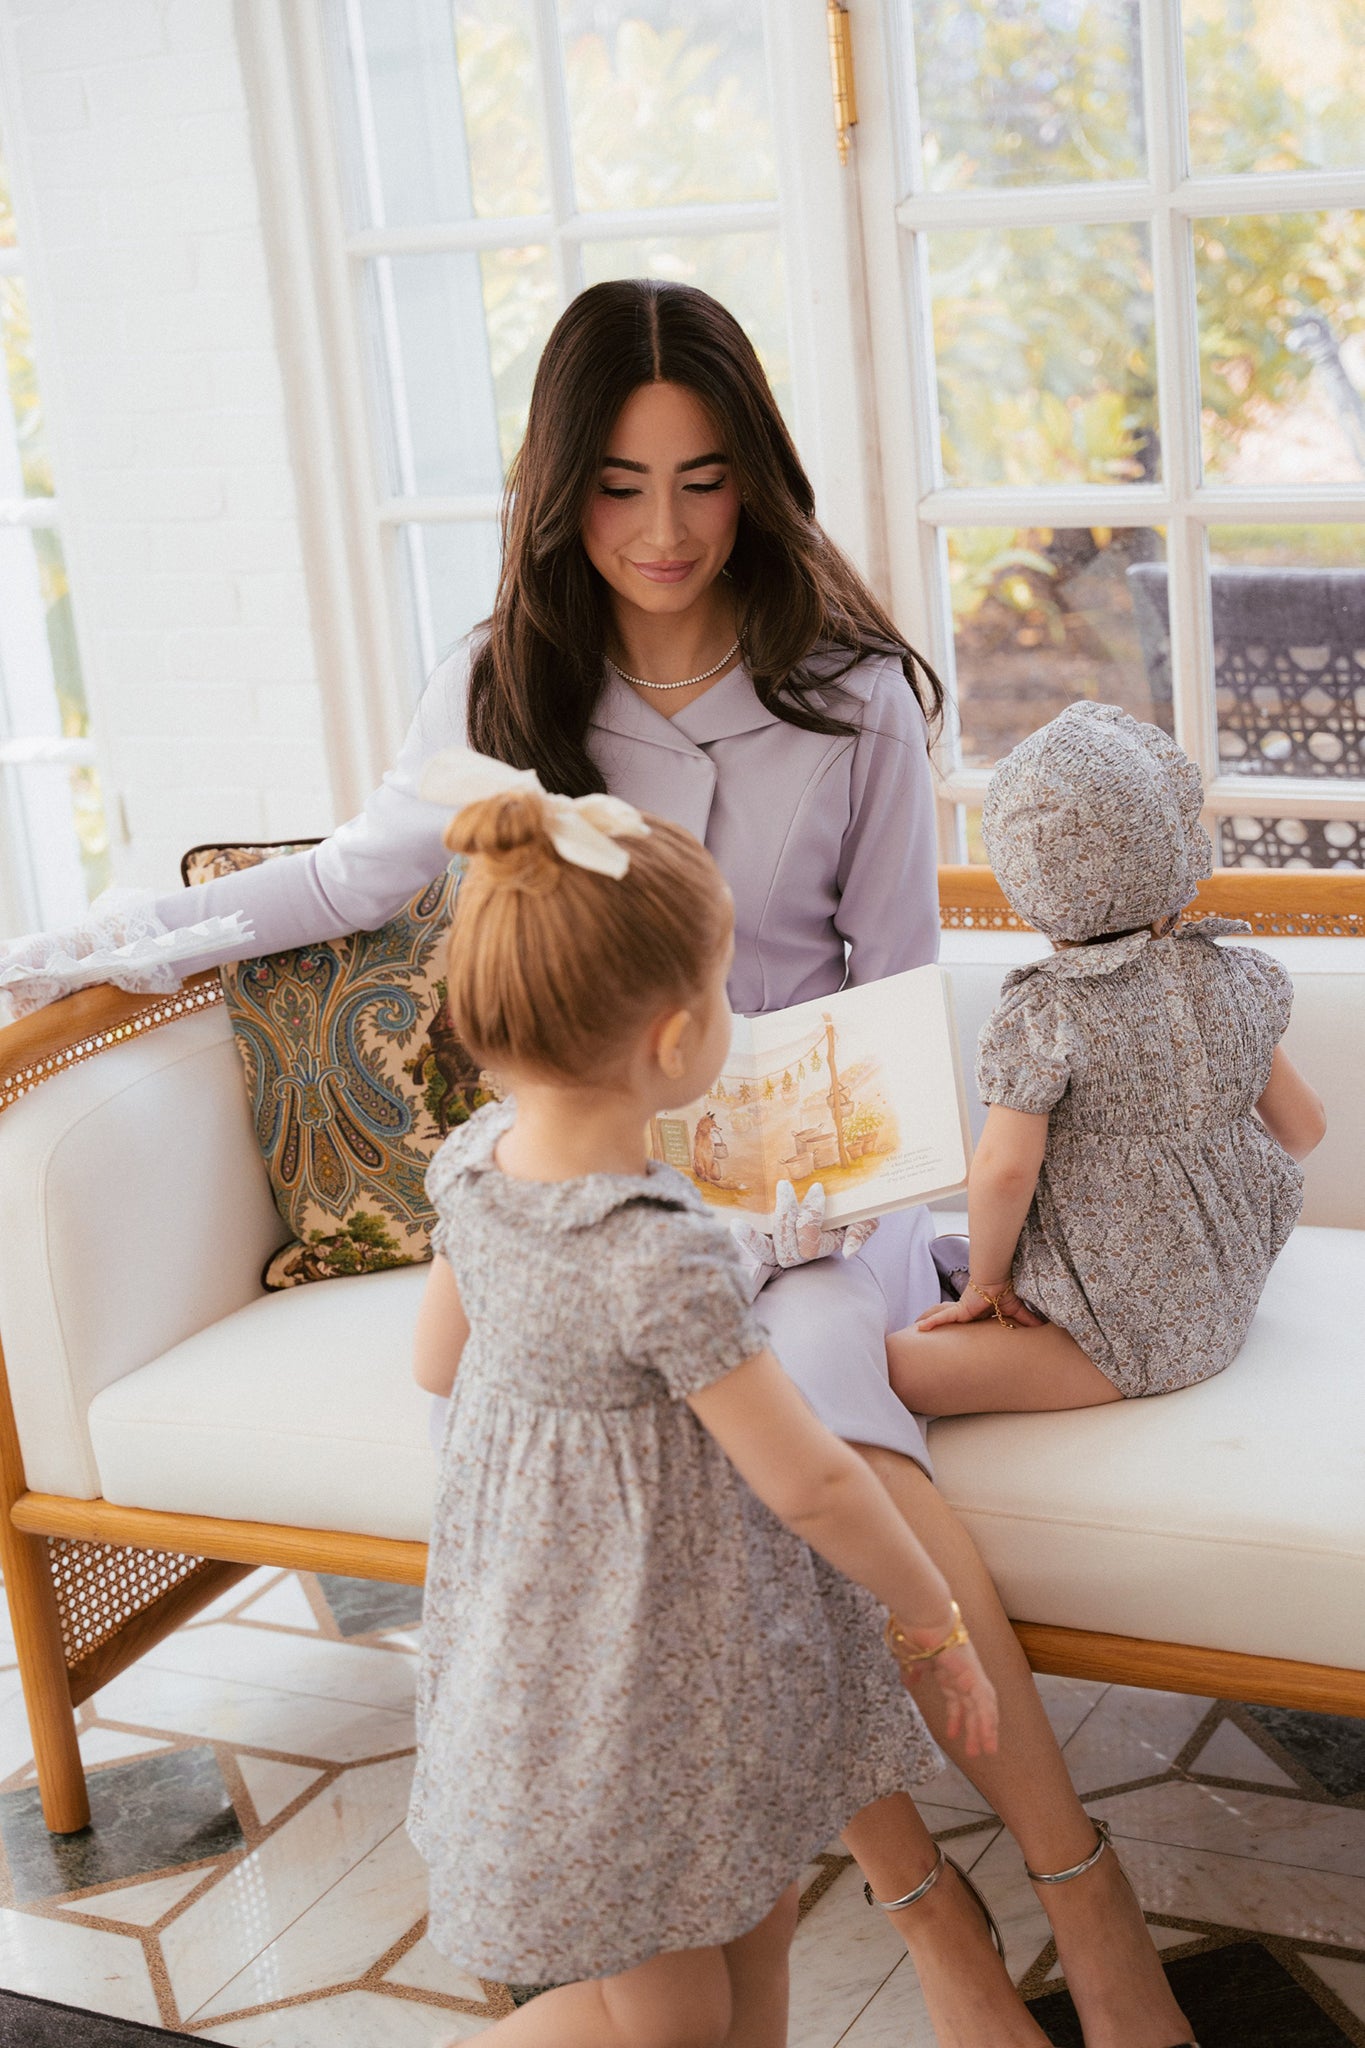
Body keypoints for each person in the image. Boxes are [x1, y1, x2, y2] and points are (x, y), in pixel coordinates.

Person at [0, 280, 1197, 2047]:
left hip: (821, 1199)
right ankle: (939, 1930)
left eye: (703, 481)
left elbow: (891, 993)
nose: (661, 532)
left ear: (756, 479)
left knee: (819, 1422)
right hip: (618, 1206)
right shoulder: (507, 677)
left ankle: (1086, 1915)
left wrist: (825, 1208)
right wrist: (80, 945)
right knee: (727, 1483)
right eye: (620, 487)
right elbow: (348, 879)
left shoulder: (855, 696)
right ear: (562, 490)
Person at [408, 755, 1002, 2047]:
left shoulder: (470, 1170)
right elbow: (813, 1480)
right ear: (678, 1041)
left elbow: (435, 1362)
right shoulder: (655, 1246)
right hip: (647, 1675)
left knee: (744, 1918)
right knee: (673, 2005)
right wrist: (932, 1622)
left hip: (565, 1637)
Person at [889, 702, 1326, 1418]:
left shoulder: (1046, 1012)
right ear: (1168, 841)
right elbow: (1302, 1130)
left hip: (1120, 1339)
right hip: (1230, 1294)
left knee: (890, 1366)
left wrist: (987, 1286)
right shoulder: (1237, 976)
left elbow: (1003, 1171)